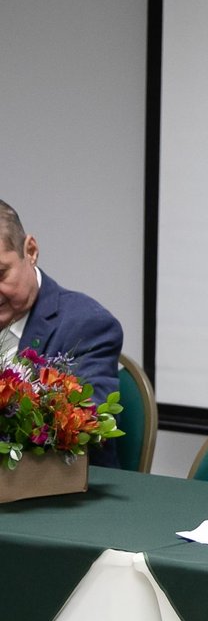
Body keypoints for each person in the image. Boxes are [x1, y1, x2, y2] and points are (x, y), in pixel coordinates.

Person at [0, 200, 125, 468]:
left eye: (0, 274)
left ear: (30, 251)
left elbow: (88, 422)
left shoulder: (88, 325)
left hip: (59, 484)